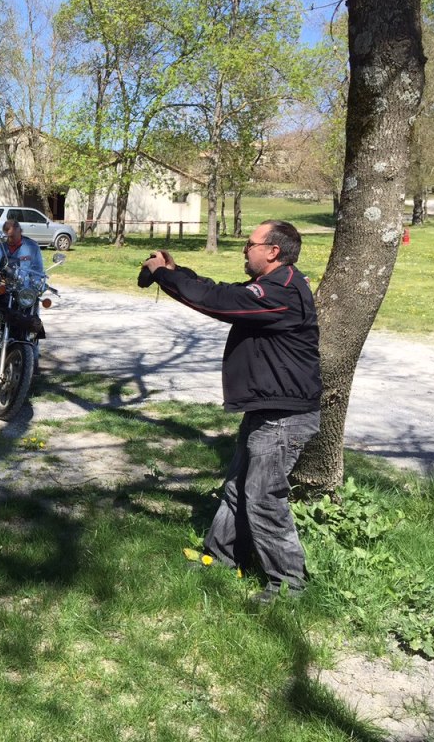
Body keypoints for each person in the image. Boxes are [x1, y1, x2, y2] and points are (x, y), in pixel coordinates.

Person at [140, 219, 322, 603]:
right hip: (267, 408)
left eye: (250, 243)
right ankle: (221, 557)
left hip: (284, 417)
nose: (244, 248)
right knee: (239, 487)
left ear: (273, 251)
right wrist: (177, 272)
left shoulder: (283, 291)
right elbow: (224, 292)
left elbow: (219, 303)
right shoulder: (273, 285)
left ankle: (289, 585)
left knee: (263, 496)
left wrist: (164, 276)